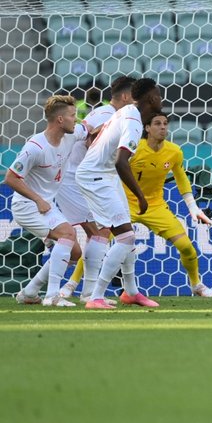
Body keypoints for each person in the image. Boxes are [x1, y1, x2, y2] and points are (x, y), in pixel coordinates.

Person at [75, 78, 163, 310]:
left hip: (103, 175)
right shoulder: (133, 121)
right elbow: (121, 162)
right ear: (152, 98)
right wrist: (141, 196)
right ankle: (96, 297)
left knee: (126, 234)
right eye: (159, 95)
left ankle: (131, 292)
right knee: (126, 237)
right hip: (97, 176)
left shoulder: (126, 111)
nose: (161, 99)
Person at [57, 75, 136, 304]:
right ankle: (88, 293)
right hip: (78, 178)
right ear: (124, 96)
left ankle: (86, 293)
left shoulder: (108, 114)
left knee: (99, 232)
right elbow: (92, 141)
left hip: (80, 176)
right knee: (101, 232)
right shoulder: (107, 115)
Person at [118, 113, 212, 296]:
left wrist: (193, 208)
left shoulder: (174, 151)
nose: (163, 127)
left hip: (155, 206)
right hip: (125, 205)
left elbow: (181, 180)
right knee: (99, 242)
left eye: (165, 124)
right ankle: (74, 285)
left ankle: (196, 285)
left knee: (187, 247)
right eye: (157, 123)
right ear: (147, 128)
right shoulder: (134, 149)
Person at [4, 95, 87, 307]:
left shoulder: (71, 135)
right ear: (60, 120)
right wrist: (38, 199)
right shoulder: (35, 148)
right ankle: (52, 295)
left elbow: (91, 127)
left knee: (75, 252)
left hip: (46, 206)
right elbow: (11, 177)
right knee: (68, 234)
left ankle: (30, 291)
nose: (75, 119)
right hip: (27, 206)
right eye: (72, 115)